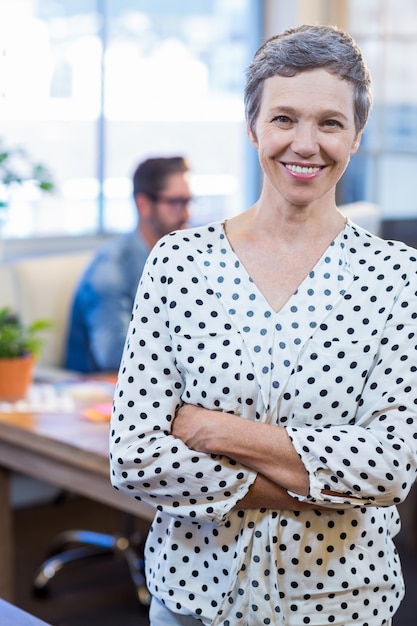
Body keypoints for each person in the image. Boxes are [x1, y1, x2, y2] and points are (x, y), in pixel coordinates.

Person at [109, 24, 417, 626]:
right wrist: (318, 482)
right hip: (193, 599)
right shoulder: (179, 263)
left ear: (355, 137)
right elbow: (135, 456)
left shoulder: (398, 275)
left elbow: (389, 465)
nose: (306, 144)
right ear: (252, 127)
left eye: (330, 123)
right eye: (283, 119)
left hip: (340, 606)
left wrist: (214, 430)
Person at [64, 156, 192, 373]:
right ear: (143, 205)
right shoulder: (110, 269)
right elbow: (114, 355)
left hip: (164, 385)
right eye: (175, 203)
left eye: (188, 202)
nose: (187, 214)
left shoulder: (180, 260)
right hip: (104, 392)